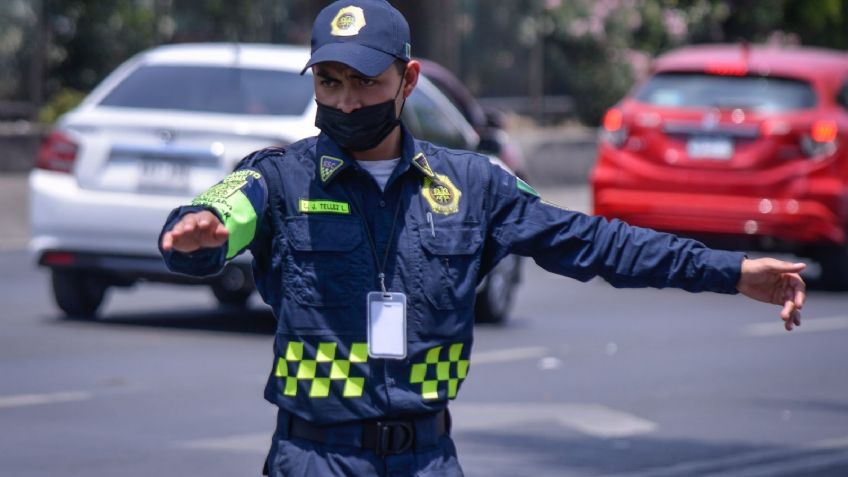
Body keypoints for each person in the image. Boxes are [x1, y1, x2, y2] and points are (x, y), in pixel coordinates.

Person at [158, 0, 806, 475]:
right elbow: (222, 212)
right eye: (330, 82)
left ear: (408, 81)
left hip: (427, 458)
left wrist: (731, 270)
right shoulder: (279, 175)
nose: (347, 101)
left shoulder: (472, 184)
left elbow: (596, 243)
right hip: (315, 457)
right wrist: (197, 236)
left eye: (366, 82)